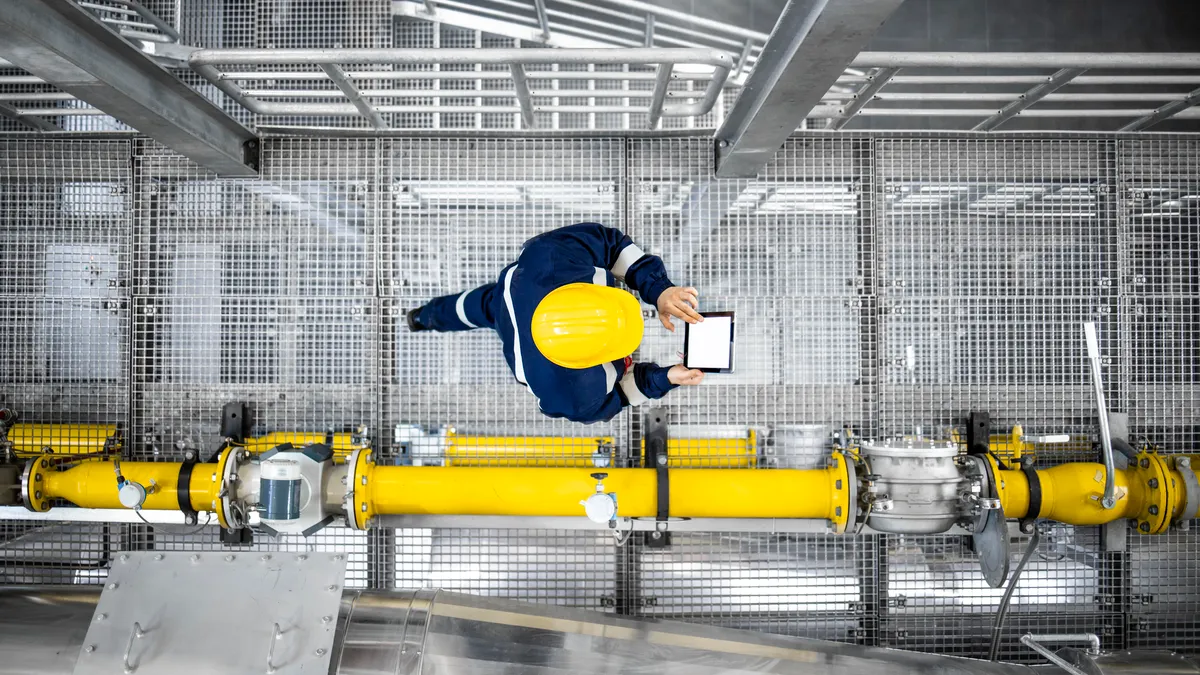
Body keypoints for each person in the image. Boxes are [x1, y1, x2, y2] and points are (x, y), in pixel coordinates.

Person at [406, 223, 706, 423]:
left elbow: (612, 245)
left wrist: (660, 290)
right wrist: (666, 378)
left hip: (513, 294)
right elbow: (623, 396)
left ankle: (423, 317)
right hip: (516, 325)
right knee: (479, 307)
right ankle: (421, 317)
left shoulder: (552, 257)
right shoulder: (573, 394)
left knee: (472, 307)